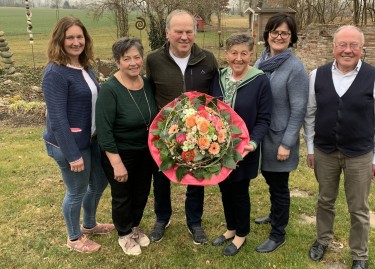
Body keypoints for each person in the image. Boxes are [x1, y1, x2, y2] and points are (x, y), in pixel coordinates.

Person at [304, 25, 375, 269]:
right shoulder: (316, 76)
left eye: (354, 45)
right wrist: (310, 148)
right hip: (324, 151)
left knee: (359, 208)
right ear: (333, 48)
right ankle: (322, 240)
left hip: (360, 155)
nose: (347, 50)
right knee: (324, 200)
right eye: (342, 44)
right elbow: (310, 114)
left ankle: (359, 255)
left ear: (362, 49)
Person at [145, 9, 218, 245]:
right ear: (168, 33)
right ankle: (162, 217)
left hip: (198, 132)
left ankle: (194, 222)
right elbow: (148, 92)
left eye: (189, 31)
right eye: (179, 31)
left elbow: (215, 98)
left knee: (196, 179)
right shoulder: (154, 60)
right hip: (165, 133)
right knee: (161, 178)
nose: (184, 37)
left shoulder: (207, 59)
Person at [42, 16, 114, 253]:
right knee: (76, 191)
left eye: (79, 37)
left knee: (100, 181)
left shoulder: (84, 66)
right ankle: (74, 237)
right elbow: (58, 119)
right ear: (60, 40)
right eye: (70, 37)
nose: (76, 42)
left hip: (90, 139)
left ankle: (90, 224)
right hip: (68, 144)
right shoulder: (55, 73)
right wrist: (73, 155)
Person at [209, 33, 272, 256]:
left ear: (251, 55)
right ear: (227, 54)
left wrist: (253, 143)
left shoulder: (259, 80)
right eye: (234, 53)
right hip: (218, 148)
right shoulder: (218, 78)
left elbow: (264, 118)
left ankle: (241, 234)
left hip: (244, 149)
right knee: (224, 188)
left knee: (239, 191)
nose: (238, 58)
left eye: (244, 53)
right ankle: (231, 228)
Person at [96, 37, 158, 256]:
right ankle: (124, 234)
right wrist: (116, 163)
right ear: (117, 61)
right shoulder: (110, 90)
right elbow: (104, 131)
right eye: (127, 58)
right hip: (119, 152)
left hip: (145, 151)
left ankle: (134, 227)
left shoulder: (147, 83)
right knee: (123, 195)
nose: (133, 63)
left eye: (137, 57)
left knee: (141, 193)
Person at [253, 13, 309, 253]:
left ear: (291, 37)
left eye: (284, 33)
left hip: (279, 139)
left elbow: (298, 109)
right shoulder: (261, 60)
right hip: (261, 135)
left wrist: (287, 143)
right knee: (269, 178)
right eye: (274, 31)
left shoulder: (295, 68)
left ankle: (278, 233)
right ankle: (274, 213)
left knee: (279, 185)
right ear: (267, 35)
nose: (279, 36)